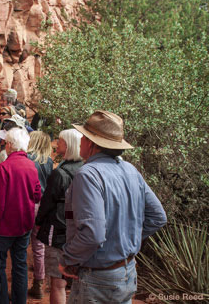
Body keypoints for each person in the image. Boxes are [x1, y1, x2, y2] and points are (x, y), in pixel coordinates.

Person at [60, 110, 167, 303]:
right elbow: (158, 216)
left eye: (84, 137)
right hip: (126, 272)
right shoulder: (130, 170)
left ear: (92, 143)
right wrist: (125, 241)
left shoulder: (88, 175)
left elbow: (93, 234)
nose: (81, 141)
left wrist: (67, 258)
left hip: (98, 278)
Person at [0, 128, 42, 304]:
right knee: (20, 264)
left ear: (10, 145)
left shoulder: (4, 167)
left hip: (3, 228)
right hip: (24, 225)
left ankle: (0, 299)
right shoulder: (31, 166)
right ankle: (20, 300)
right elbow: (38, 194)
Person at [35, 129, 84, 304]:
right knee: (78, 280)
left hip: (58, 230)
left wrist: (38, 223)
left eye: (61, 141)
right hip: (81, 230)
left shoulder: (60, 173)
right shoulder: (87, 168)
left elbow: (47, 202)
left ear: (69, 145)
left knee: (58, 282)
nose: (57, 143)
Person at [26, 131, 54, 299]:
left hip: (28, 203)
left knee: (21, 243)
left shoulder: (28, 159)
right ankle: (39, 283)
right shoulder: (49, 161)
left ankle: (21, 279)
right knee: (38, 246)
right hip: (43, 206)